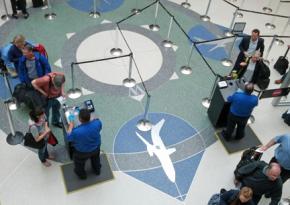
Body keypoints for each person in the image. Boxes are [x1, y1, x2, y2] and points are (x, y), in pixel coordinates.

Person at [67, 108, 102, 180]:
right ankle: (97, 170)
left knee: (79, 164)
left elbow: (69, 138)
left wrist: (71, 125)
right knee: (96, 159)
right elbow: (98, 123)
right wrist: (93, 120)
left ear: (80, 119)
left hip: (82, 152)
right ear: (90, 117)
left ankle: (82, 175)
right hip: (95, 148)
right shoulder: (97, 123)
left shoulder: (76, 131)